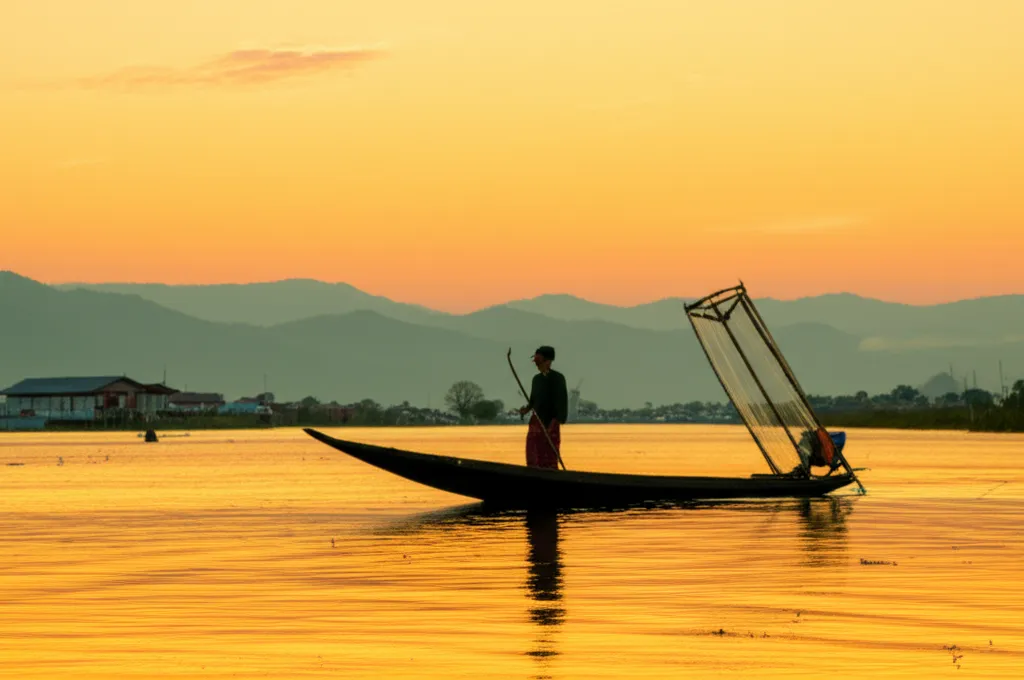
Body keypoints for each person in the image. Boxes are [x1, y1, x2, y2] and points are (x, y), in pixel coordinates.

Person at [518, 345, 568, 469]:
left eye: (539, 361)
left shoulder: (558, 378)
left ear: (548, 361)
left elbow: (562, 402)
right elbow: (533, 401)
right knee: (533, 454)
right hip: (537, 423)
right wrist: (526, 409)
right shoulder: (536, 379)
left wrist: (556, 421)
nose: (537, 365)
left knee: (549, 456)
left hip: (551, 422)